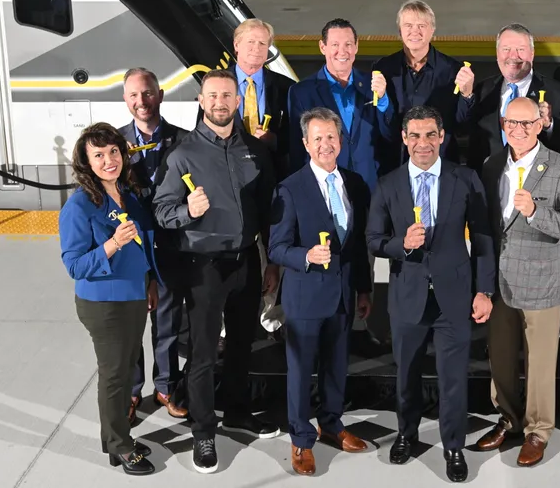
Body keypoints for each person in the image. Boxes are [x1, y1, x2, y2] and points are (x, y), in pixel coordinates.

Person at [151, 69, 280, 474]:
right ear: (201, 102)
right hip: (203, 266)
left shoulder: (254, 152)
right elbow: (160, 211)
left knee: (243, 343)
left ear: (237, 101)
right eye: (213, 96)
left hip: (246, 261)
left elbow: (268, 211)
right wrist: (186, 211)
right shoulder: (183, 155)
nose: (220, 103)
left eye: (228, 95)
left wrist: (271, 259)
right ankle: (203, 431)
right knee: (205, 354)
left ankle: (238, 411)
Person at [366, 105, 495, 483]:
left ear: (442, 137)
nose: (423, 143)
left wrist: (484, 289)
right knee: (406, 374)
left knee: (452, 376)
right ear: (404, 140)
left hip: (455, 296)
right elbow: (373, 240)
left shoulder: (466, 178)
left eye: (430, 135)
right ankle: (406, 434)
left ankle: (452, 445)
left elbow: (484, 239)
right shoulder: (388, 184)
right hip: (408, 296)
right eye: (415, 136)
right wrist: (401, 245)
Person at [473, 97, 560, 467]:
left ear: (540, 125)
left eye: (526, 124)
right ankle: (507, 418)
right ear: (503, 125)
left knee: (539, 364)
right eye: (511, 123)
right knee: (500, 359)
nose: (518, 131)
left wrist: (536, 212)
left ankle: (538, 431)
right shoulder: (491, 166)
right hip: (501, 284)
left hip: (542, 283)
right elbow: (488, 229)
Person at [269, 107, 374, 476]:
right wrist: (306, 255)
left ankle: (331, 423)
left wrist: (364, 289)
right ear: (305, 143)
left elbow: (357, 244)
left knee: (336, 366)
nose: (326, 145)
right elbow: (276, 247)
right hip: (306, 296)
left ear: (340, 141)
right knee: (300, 371)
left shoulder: (355, 183)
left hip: (344, 295)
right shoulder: (290, 188)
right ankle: (301, 437)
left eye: (331, 137)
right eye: (318, 138)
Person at [59, 122, 161, 476]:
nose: (108, 160)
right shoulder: (79, 207)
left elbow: (144, 246)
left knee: (125, 366)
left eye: (113, 152)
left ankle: (115, 437)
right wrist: (112, 243)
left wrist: (150, 282)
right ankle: (119, 447)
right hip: (104, 304)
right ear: (86, 163)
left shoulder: (127, 193)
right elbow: (74, 265)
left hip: (133, 295)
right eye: (98, 155)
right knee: (115, 376)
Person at [118, 67, 189, 422]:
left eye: (147, 93)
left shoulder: (184, 139)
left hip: (169, 246)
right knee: (132, 324)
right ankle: (132, 392)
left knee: (167, 320)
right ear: (125, 100)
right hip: (129, 248)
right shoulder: (112, 144)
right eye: (133, 95)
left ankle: (165, 386)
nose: (141, 101)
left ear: (159, 95)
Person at [287, 18, 394, 185]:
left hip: (370, 186)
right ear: (323, 47)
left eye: (348, 44)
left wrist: (383, 101)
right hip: (326, 186)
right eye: (335, 45)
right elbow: (297, 150)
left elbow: (390, 135)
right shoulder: (301, 92)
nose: (342, 52)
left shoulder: (373, 84)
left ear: (356, 46)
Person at [371, 0, 473, 169]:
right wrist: (381, 100)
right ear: (400, 31)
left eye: (421, 26)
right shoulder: (383, 69)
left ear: (432, 30)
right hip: (397, 163)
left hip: (441, 163)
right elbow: (384, 128)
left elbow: (461, 125)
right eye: (408, 25)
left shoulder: (453, 70)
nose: (414, 31)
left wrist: (467, 95)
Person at [463, 23, 560, 168]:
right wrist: (465, 95)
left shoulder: (559, 94)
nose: (513, 56)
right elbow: (465, 132)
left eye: (520, 50)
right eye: (506, 49)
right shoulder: (482, 90)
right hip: (488, 183)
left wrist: (549, 126)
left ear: (532, 53)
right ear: (497, 53)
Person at [234, 17, 295, 178]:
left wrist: (273, 140)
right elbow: (203, 130)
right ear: (236, 45)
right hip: (227, 174)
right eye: (251, 41)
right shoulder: (215, 83)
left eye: (262, 44)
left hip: (272, 175)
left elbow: (296, 134)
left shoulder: (286, 87)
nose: (257, 48)